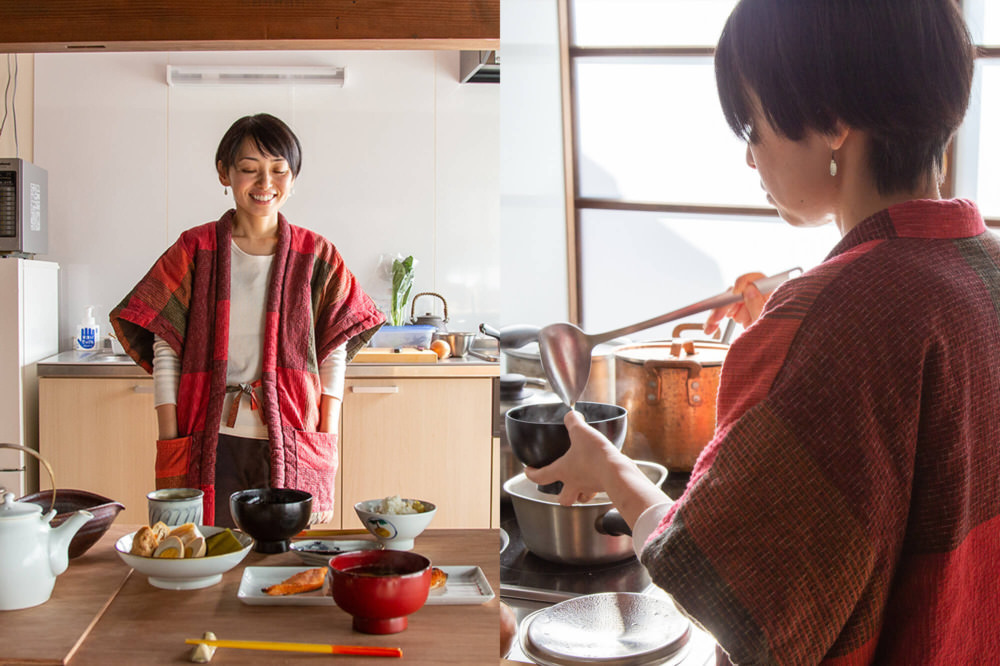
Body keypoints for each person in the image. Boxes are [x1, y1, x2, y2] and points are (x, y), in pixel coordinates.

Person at [526, 1, 1000, 663]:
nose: (751, 159)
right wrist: (805, 312)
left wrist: (607, 467)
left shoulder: (831, 321)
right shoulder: (984, 272)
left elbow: (719, 589)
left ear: (833, 121)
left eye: (752, 125)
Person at [110, 113, 385, 527]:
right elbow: (165, 344)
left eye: (278, 170)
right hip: (208, 438)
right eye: (249, 169)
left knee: (280, 564)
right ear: (225, 172)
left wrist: (324, 437)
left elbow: (334, 351)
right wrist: (170, 440)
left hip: (292, 437)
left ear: (293, 179)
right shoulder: (194, 248)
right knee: (205, 550)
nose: (264, 183)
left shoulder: (317, 254)